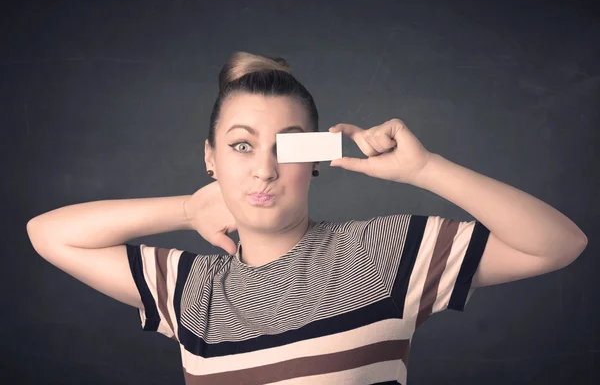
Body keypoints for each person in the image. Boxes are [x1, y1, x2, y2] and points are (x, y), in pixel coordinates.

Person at [26, 51, 588, 384]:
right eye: (241, 146)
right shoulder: (190, 289)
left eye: (287, 147)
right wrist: (182, 208)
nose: (264, 169)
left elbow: (557, 245)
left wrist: (426, 170)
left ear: (314, 159)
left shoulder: (380, 253)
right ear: (209, 158)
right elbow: (47, 234)